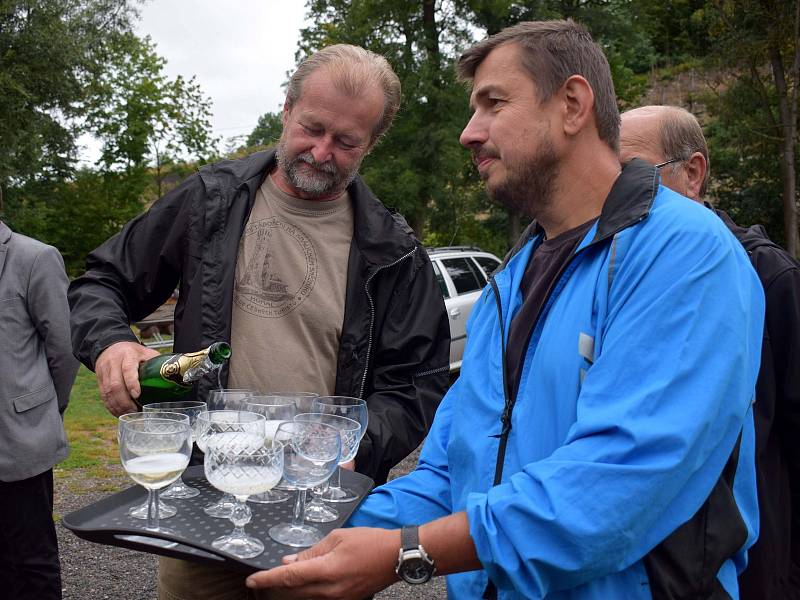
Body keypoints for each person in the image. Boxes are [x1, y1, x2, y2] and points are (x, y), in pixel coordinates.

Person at [245, 20, 766, 600]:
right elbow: (449, 475)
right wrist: (294, 529)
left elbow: (617, 483)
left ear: (572, 104)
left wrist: (407, 553)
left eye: (494, 103)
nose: (470, 133)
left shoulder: (684, 253)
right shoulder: (506, 286)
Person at [67, 44, 450, 600]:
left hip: (319, 512)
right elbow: (102, 281)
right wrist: (111, 345)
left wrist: (353, 447)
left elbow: (417, 384)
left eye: (346, 142)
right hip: (204, 502)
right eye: (312, 128)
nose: (321, 153)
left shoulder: (394, 251)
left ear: (371, 144)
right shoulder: (209, 202)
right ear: (287, 108)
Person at [619, 104, 800, 599]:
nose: (613, 196)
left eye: (631, 174)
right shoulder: (619, 281)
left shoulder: (771, 278)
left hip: (756, 570)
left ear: (692, 173)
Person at [0, 219, 79, 599]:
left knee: (31, 560)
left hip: (18, 440)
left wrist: (44, 412)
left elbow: (64, 349)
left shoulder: (34, 257)